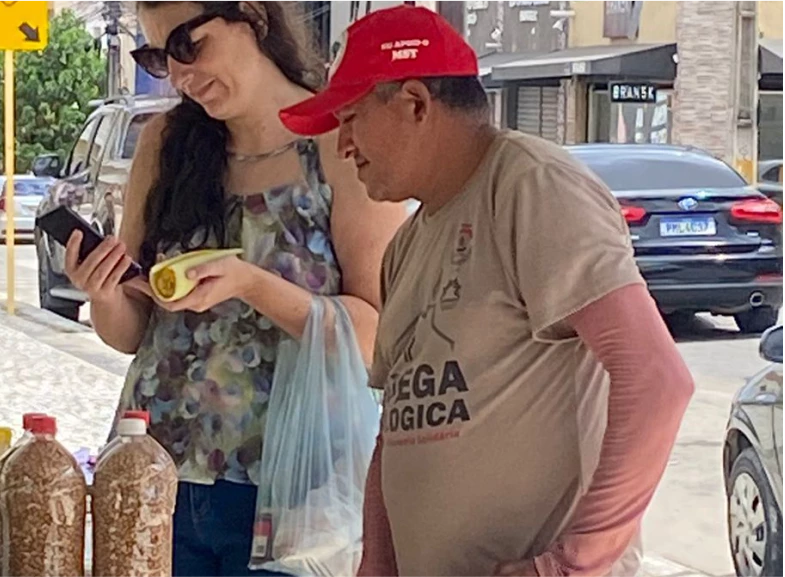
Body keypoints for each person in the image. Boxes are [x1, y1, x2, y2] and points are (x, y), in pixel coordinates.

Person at [279, 6, 695, 577]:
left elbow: (656, 379)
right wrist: (376, 564)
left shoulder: (529, 184)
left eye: (350, 118)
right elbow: (397, 428)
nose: (343, 145)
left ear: (416, 104)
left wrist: (574, 563)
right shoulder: (408, 241)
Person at [63, 0, 409, 575]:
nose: (178, 75)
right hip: (157, 468)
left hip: (291, 478)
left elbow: (377, 336)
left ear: (251, 17)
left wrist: (250, 283)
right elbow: (134, 335)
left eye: (188, 46)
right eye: (157, 56)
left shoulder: (341, 145)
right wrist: (104, 293)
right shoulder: (166, 144)